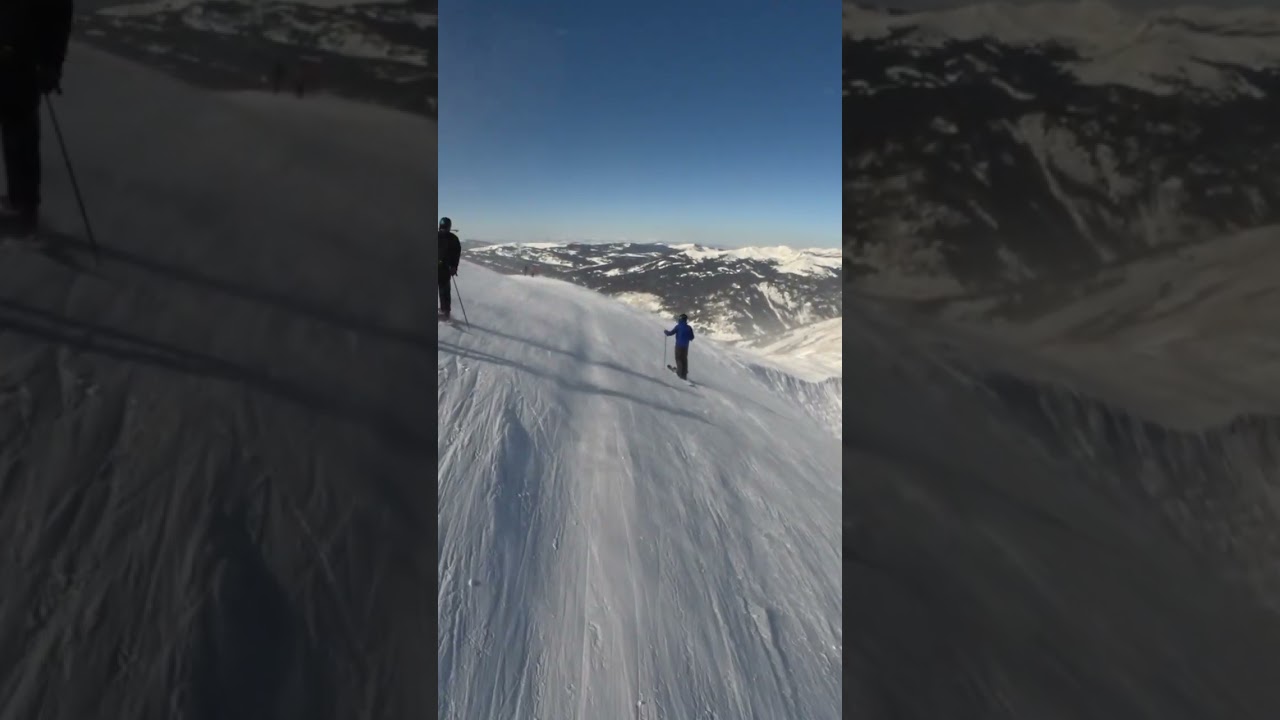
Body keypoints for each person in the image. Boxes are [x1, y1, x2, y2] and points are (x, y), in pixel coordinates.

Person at [0, 0, 74, 236]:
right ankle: (20, 203)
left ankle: (24, 209)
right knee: (17, 129)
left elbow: (60, 20)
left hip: (26, 63)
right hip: (12, 56)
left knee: (20, 131)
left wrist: (52, 65)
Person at [438, 217, 461, 319]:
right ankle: (445, 311)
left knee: (444, 291)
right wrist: (454, 267)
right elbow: (456, 255)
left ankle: (444, 312)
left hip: (441, 269)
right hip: (445, 269)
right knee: (445, 291)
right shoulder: (453, 238)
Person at [664, 313, 695, 380]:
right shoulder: (689, 328)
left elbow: (671, 333)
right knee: (684, 359)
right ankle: (684, 373)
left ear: (680, 319)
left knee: (678, 358)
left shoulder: (678, 326)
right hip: (685, 347)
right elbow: (692, 337)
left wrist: (666, 332)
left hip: (679, 346)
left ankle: (680, 373)